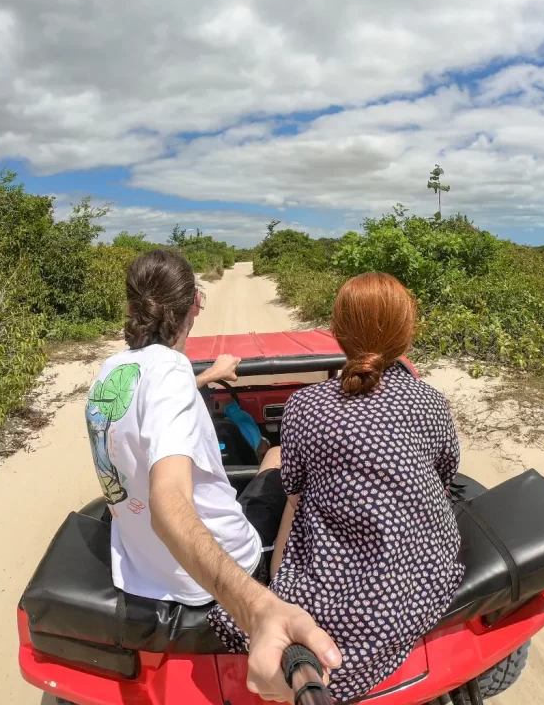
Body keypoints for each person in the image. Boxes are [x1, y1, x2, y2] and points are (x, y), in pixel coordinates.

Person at [84, 249, 340, 702]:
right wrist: (255, 606)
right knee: (278, 457)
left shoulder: (111, 373)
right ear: (195, 305)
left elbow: (152, 405)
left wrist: (206, 378)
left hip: (144, 569)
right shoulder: (170, 372)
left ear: (131, 307)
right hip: (221, 567)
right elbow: (168, 506)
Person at [208, 272, 466, 701]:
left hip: (330, 591)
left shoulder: (305, 405)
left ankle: (278, 592)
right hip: (422, 571)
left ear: (338, 333)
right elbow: (445, 473)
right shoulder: (431, 400)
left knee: (288, 493)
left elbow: (293, 489)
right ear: (406, 335)